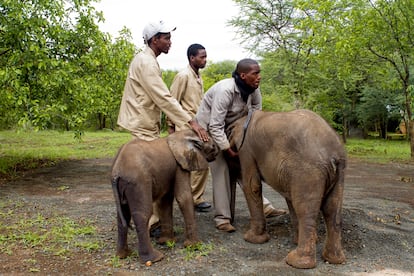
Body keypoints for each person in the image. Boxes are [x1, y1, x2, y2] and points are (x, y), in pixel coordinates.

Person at [117, 20, 208, 234]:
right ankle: (149, 224)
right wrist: (190, 122)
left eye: (170, 38)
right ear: (154, 39)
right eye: (166, 38)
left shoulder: (149, 60)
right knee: (148, 175)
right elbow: (163, 97)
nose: (170, 42)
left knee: (151, 174)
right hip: (141, 123)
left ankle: (155, 222)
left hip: (145, 121)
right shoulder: (146, 62)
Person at [196, 58, 286, 232]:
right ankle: (222, 219)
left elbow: (256, 117)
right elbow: (215, 125)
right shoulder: (225, 90)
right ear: (243, 75)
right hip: (209, 132)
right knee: (222, 170)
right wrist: (227, 149)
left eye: (259, 72)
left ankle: (264, 208)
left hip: (234, 130)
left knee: (246, 169)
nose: (259, 77)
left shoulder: (254, 89)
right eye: (255, 73)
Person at [167, 43, 211, 212]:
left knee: (202, 162)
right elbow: (172, 101)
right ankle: (187, 199)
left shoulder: (198, 77)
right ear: (192, 58)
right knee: (187, 165)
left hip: (197, 126)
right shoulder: (183, 76)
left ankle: (194, 198)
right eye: (202, 57)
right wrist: (170, 127)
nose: (205, 60)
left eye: (206, 56)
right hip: (184, 126)